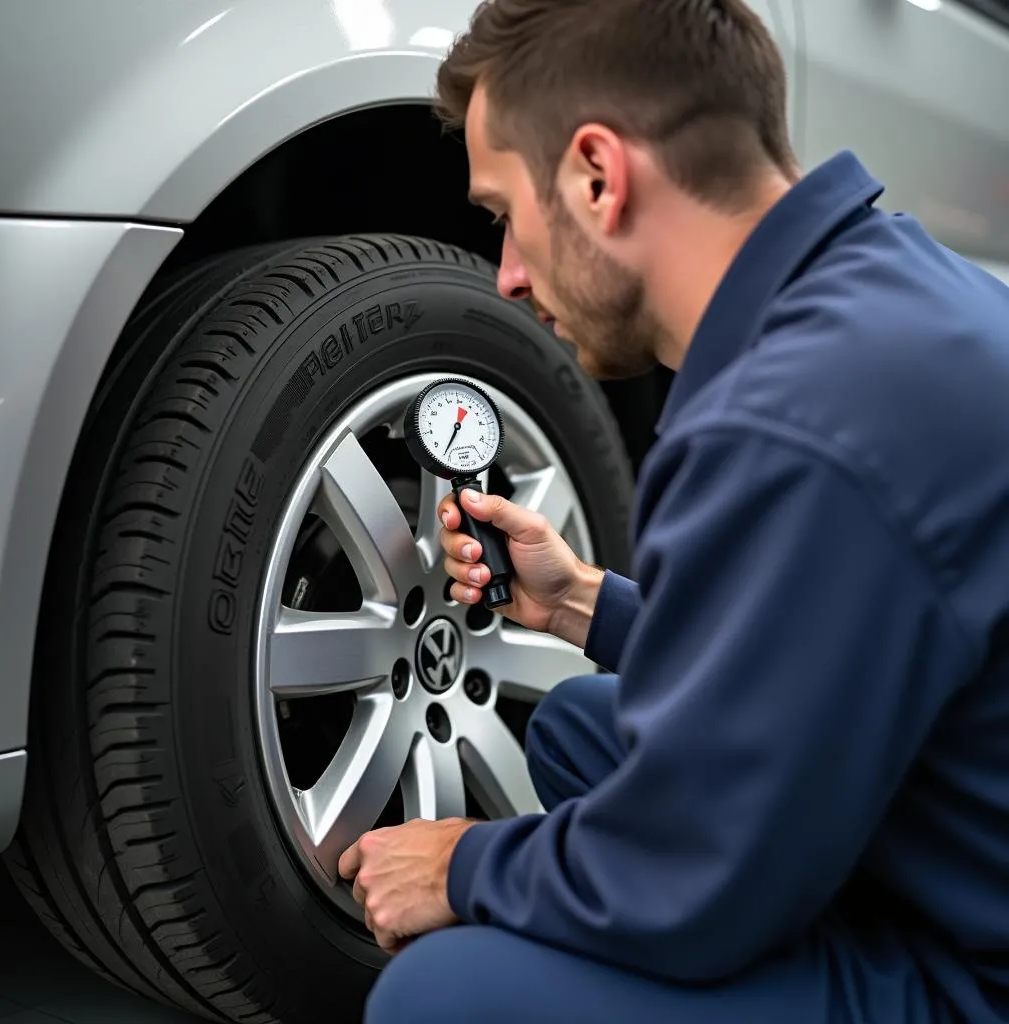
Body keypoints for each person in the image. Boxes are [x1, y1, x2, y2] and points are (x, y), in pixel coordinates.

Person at [338, 1, 1009, 1020]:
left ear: (597, 176)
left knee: (437, 997)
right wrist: (581, 606)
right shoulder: (885, 296)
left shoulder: (787, 422)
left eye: (503, 216)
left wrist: (466, 864)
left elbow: (688, 881)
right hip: (957, 835)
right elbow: (830, 641)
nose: (508, 275)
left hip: (977, 971)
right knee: (575, 724)